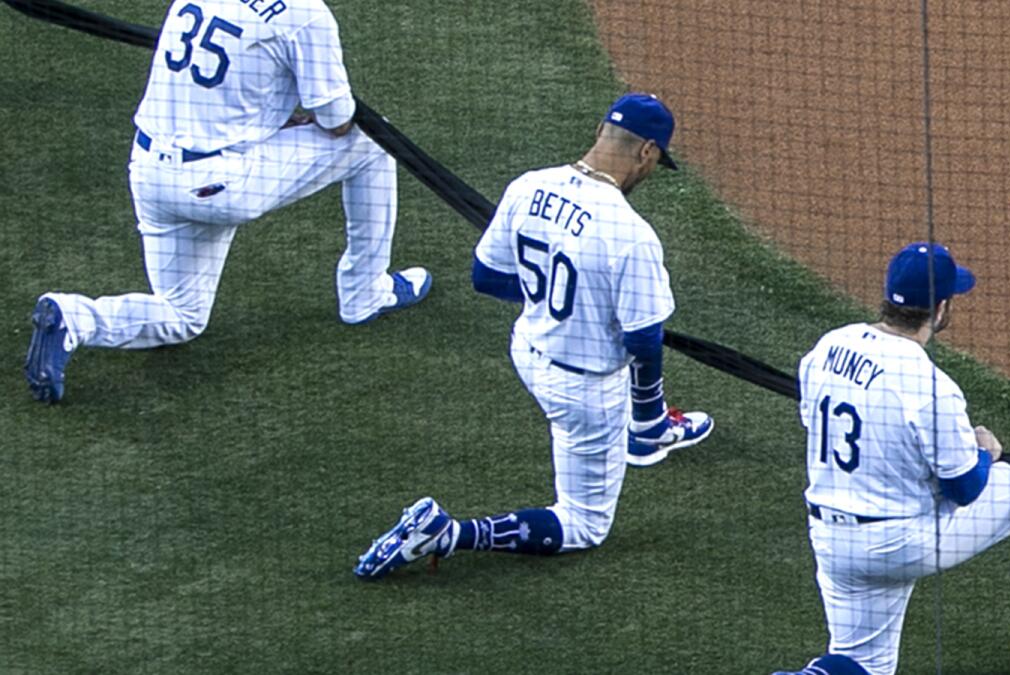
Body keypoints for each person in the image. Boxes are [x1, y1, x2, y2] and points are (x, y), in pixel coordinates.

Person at [353, 93, 713, 578]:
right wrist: (646, 413)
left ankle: (649, 428)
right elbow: (645, 340)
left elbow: (486, 276)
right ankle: (449, 533)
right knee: (584, 525)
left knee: (592, 365)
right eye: (654, 162)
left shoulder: (530, 186)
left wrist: (555, 305)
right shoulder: (631, 233)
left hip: (528, 350)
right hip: (585, 391)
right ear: (647, 151)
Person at [24, 0, 430, 404]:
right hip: (221, 186)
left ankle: (74, 316)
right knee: (374, 142)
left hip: (150, 173)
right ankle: (365, 293)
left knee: (183, 317)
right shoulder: (305, 13)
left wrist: (272, 112)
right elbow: (337, 121)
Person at [783, 243, 1010, 675]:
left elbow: (815, 422)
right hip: (903, 542)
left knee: (860, 666)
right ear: (939, 309)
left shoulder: (829, 345)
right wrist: (982, 451)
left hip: (831, 539)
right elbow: (965, 487)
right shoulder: (928, 382)